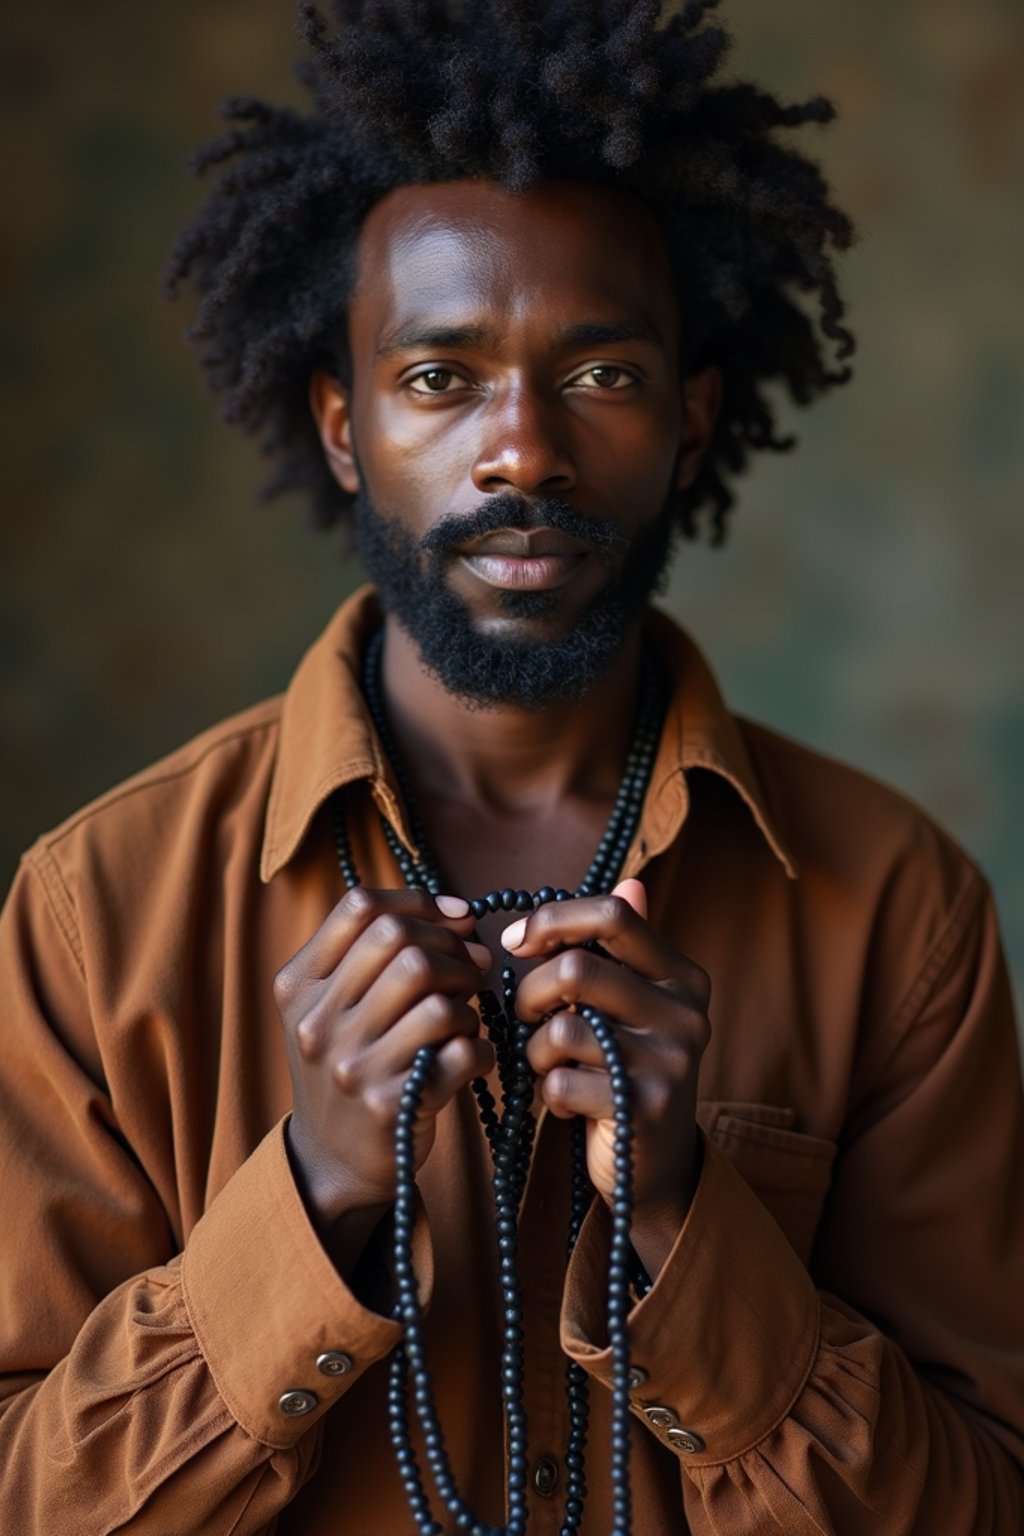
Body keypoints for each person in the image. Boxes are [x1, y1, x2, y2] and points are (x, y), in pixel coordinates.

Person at [1, 1, 1021, 1532]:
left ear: (690, 423)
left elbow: (982, 1505)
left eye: (601, 377)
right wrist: (318, 1192)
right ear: (343, 425)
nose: (524, 450)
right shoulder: (98, 911)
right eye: (439, 379)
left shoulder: (896, 911)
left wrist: (685, 1215)